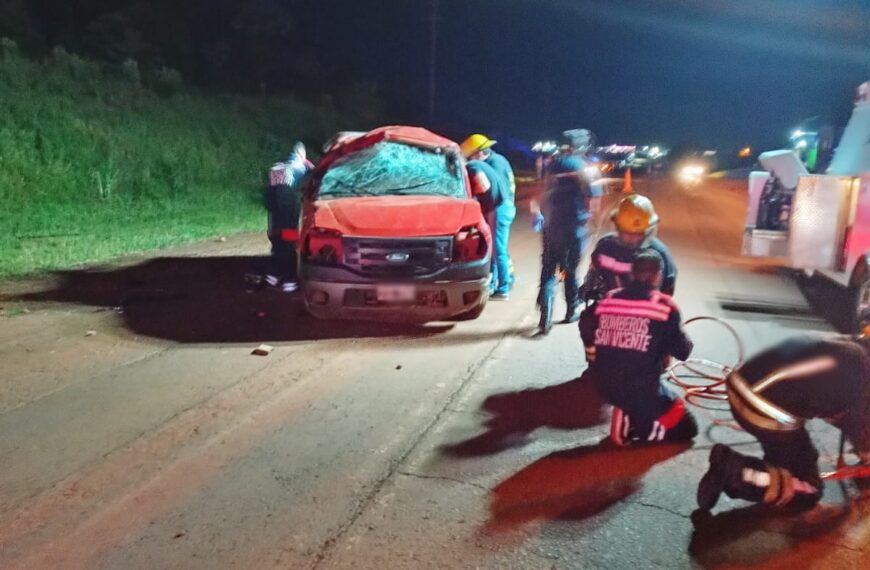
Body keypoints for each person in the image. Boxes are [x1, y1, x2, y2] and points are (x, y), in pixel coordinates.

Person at [696, 335, 870, 513]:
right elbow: (863, 441)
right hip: (762, 405)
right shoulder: (864, 378)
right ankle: (737, 472)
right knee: (807, 489)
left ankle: (770, 470)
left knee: (800, 454)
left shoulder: (852, 349)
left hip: (743, 383)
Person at [579, 251, 699, 445]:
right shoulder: (664, 307)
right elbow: (683, 352)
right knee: (687, 425)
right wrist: (675, 331)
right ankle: (634, 421)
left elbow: (586, 325)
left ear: (632, 274)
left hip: (602, 383)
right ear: (657, 276)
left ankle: (629, 411)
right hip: (640, 389)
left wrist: (592, 356)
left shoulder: (608, 298)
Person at [532, 145, 602, 334]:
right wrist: (592, 222)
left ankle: (544, 318)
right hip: (574, 229)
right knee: (569, 270)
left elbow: (540, 194)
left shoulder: (553, 165)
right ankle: (571, 311)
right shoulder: (586, 167)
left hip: (552, 228)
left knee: (548, 270)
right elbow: (593, 201)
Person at [580, 194, 677, 304]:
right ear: (618, 228)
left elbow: (666, 293)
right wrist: (588, 289)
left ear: (648, 231)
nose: (632, 238)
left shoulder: (660, 255)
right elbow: (593, 276)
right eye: (626, 233)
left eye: (638, 234)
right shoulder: (605, 248)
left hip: (645, 310)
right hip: (610, 306)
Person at [461, 134, 516, 299]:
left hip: (500, 208)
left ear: (479, 152)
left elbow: (486, 187)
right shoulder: (496, 160)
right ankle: (495, 283)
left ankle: (504, 287)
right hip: (502, 206)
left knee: (499, 249)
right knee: (495, 248)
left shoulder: (491, 163)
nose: (470, 159)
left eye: (470, 156)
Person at [264, 142, 313, 292]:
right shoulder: (302, 164)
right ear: (301, 154)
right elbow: (316, 175)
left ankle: (273, 275)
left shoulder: (277, 166)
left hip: (272, 200)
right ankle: (289, 280)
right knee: (290, 239)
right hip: (287, 198)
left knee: (277, 237)